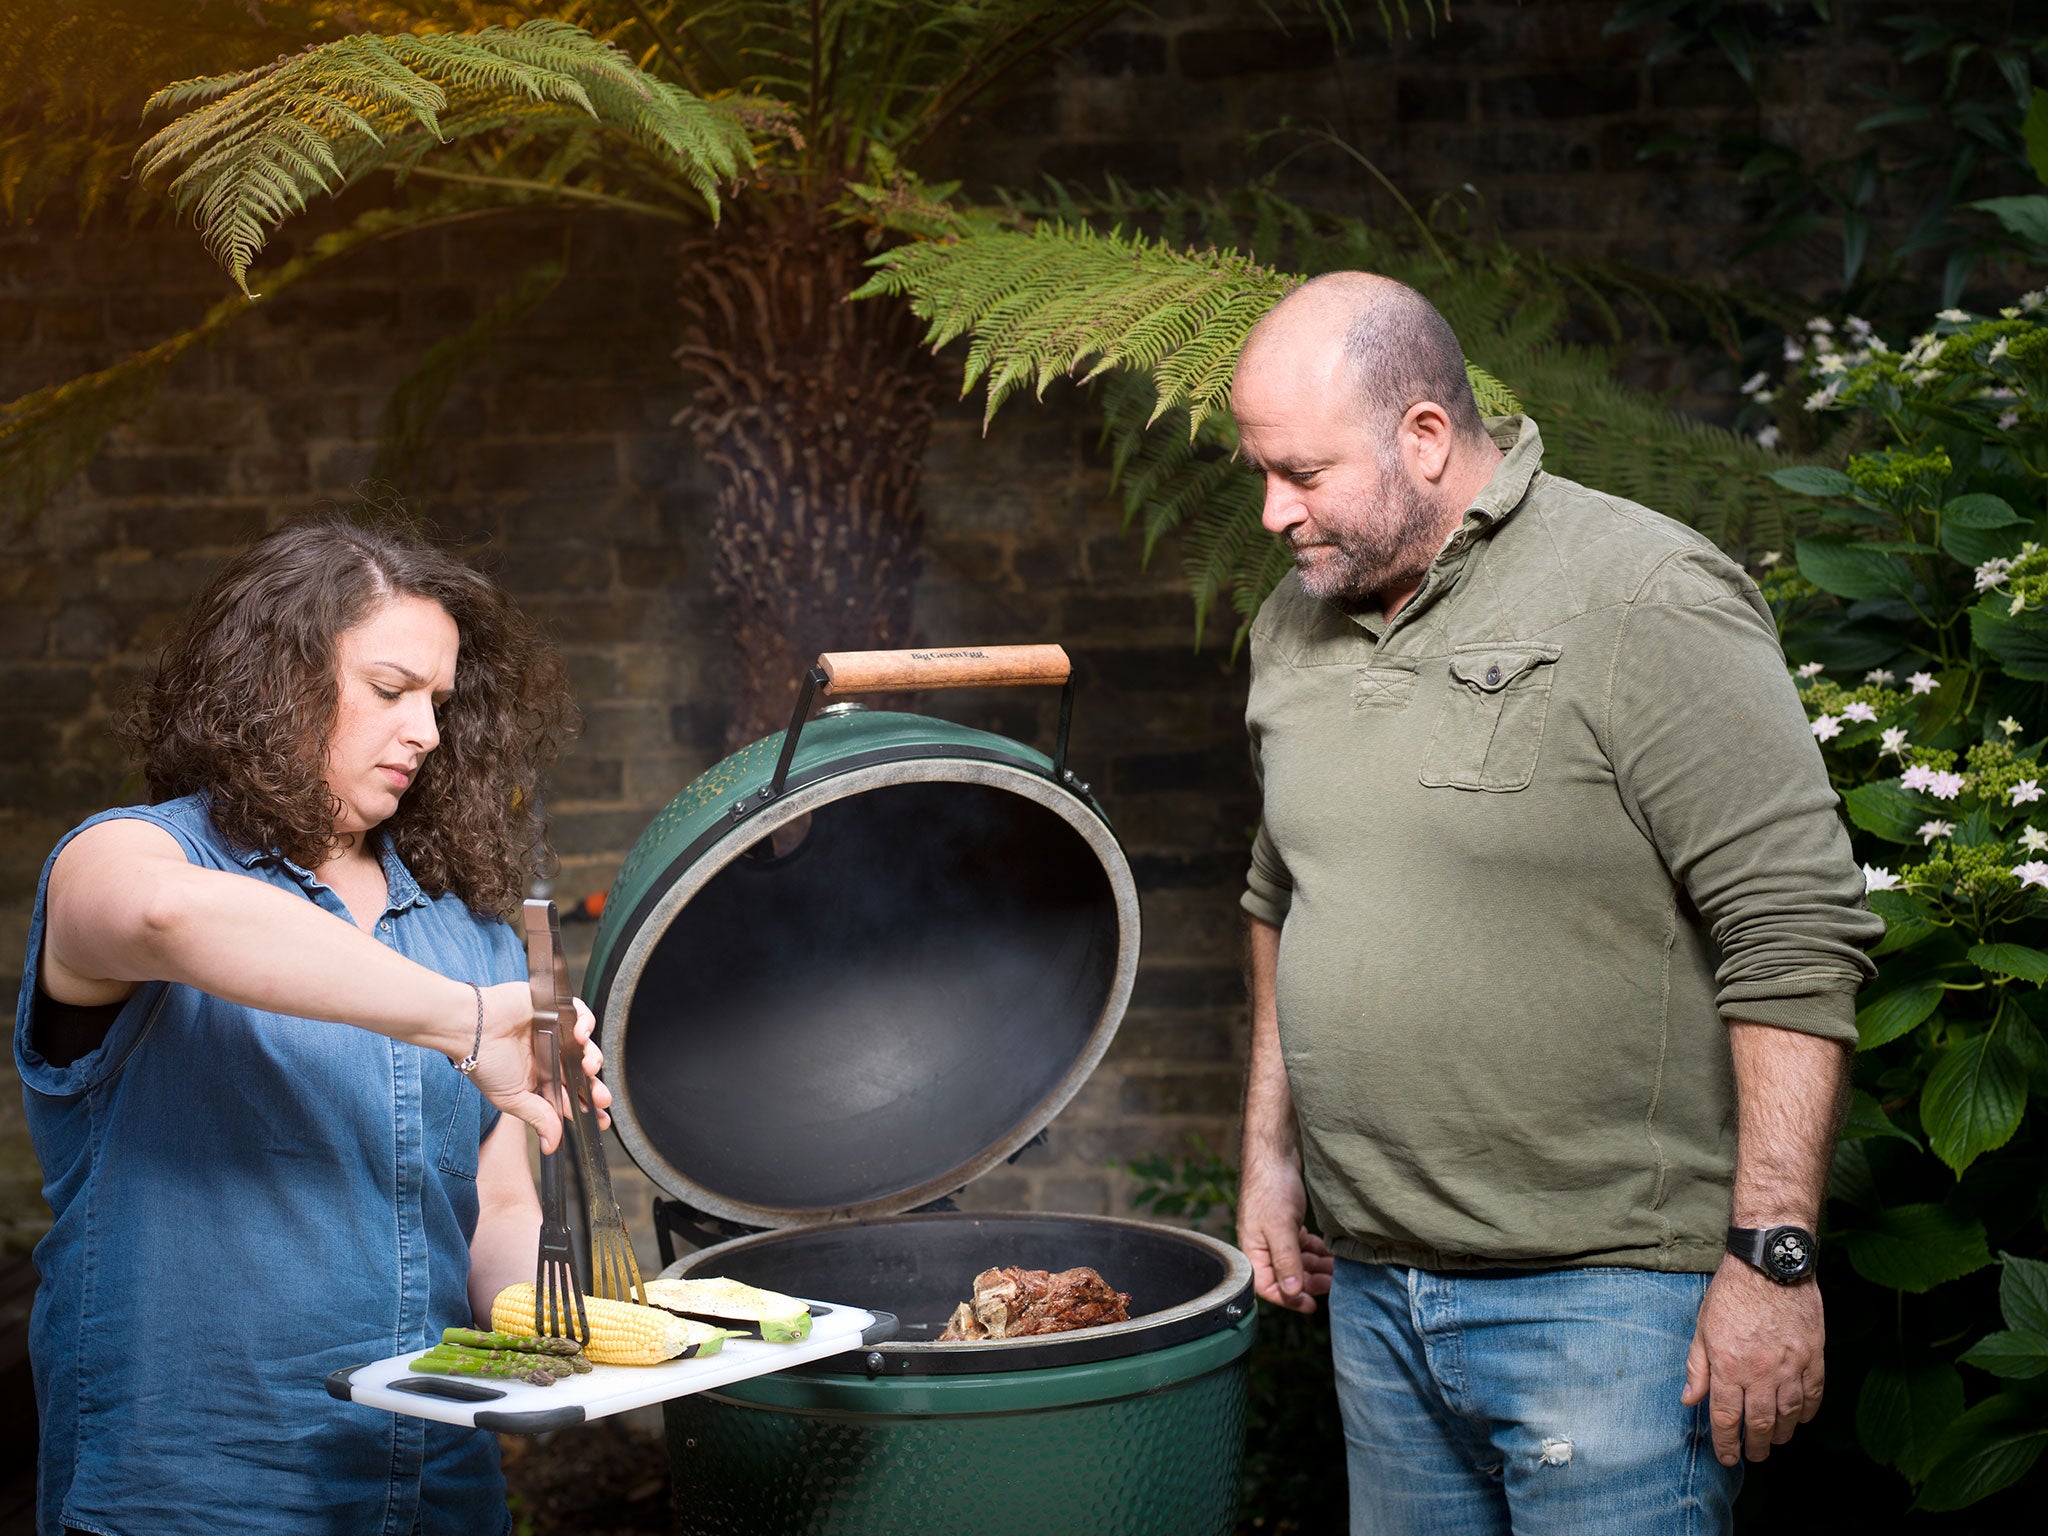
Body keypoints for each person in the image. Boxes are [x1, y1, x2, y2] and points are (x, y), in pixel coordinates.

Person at [1229, 273, 1882, 1534]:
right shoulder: (1292, 622)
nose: (1271, 512)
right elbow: (1282, 890)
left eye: (1301, 473)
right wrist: (1266, 1161)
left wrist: (1771, 1261)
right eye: (1258, 471)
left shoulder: (1644, 594)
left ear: (1423, 439)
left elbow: (1791, 930)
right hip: (1373, 1294)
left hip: (1612, 1310)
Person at [18, 515, 608, 1536]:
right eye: (390, 691)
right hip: (194, 1493)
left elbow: (499, 1205)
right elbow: (169, 920)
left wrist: (557, 1337)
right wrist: (468, 1023)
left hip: (437, 1479)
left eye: (438, 702)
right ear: (274, 681)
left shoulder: (470, 932)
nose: (424, 731)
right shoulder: (123, 861)